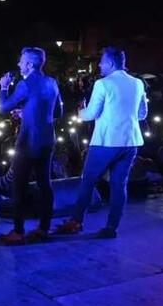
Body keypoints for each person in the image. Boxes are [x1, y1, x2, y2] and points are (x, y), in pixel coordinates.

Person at [55, 47, 148, 238]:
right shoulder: (138, 83)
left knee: (87, 182)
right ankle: (111, 228)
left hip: (106, 141)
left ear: (111, 63)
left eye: (102, 61)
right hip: (130, 142)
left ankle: (75, 222)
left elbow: (91, 114)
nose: (99, 65)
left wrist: (80, 112)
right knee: (119, 185)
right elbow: (142, 114)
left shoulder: (103, 84)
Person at [0, 47, 63, 245]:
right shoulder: (52, 82)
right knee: (45, 185)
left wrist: (3, 87)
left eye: (21, 61)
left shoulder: (25, 85)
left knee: (19, 187)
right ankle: (44, 228)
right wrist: (28, 112)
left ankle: (18, 232)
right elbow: (58, 112)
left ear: (30, 64)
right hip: (47, 140)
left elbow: (3, 108)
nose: (18, 64)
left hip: (28, 142)